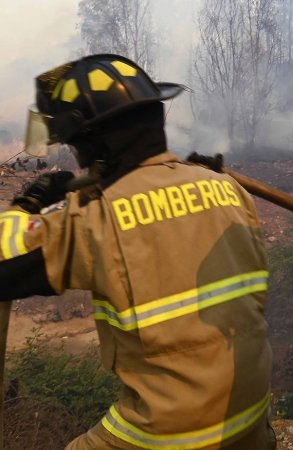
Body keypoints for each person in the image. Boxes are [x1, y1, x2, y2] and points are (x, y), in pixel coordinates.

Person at [0, 54, 275, 449]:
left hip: (170, 433)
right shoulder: (228, 188)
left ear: (93, 144)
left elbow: (6, 261)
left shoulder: (95, 218)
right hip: (250, 419)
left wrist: (28, 203)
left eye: (75, 145)